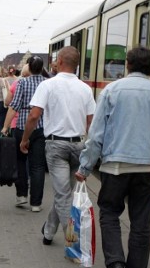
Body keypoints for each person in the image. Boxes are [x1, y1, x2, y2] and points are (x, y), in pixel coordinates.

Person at [75, 46, 150, 268]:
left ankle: (115, 263)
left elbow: (96, 135)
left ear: (128, 65)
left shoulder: (112, 91)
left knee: (110, 213)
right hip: (147, 168)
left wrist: (85, 166)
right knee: (141, 223)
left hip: (114, 167)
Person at [19, 46, 96, 247]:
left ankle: (74, 242)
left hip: (56, 145)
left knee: (62, 196)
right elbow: (91, 123)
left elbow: (34, 115)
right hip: (79, 146)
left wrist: (25, 139)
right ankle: (48, 231)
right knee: (64, 194)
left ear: (59, 62)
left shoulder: (48, 85)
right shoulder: (85, 88)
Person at [2, 58, 46, 211]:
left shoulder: (22, 83)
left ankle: (21, 196)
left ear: (29, 68)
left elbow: (14, 106)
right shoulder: (47, 83)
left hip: (22, 126)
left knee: (21, 162)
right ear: (42, 68)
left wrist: (5, 126)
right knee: (38, 166)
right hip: (41, 127)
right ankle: (36, 203)